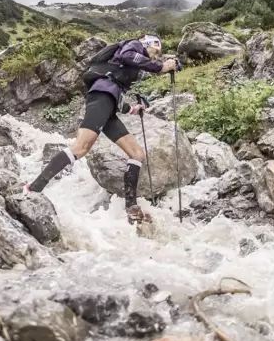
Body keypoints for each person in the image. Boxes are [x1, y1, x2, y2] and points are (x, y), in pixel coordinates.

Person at [26, 34, 178, 225]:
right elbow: (127, 57)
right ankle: (33, 188)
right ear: (147, 44)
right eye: (156, 51)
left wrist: (132, 109)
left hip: (108, 103)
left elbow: (115, 89)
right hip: (101, 98)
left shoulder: (129, 64)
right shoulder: (134, 45)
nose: (156, 56)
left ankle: (131, 207)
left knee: (137, 154)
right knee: (81, 147)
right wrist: (160, 67)